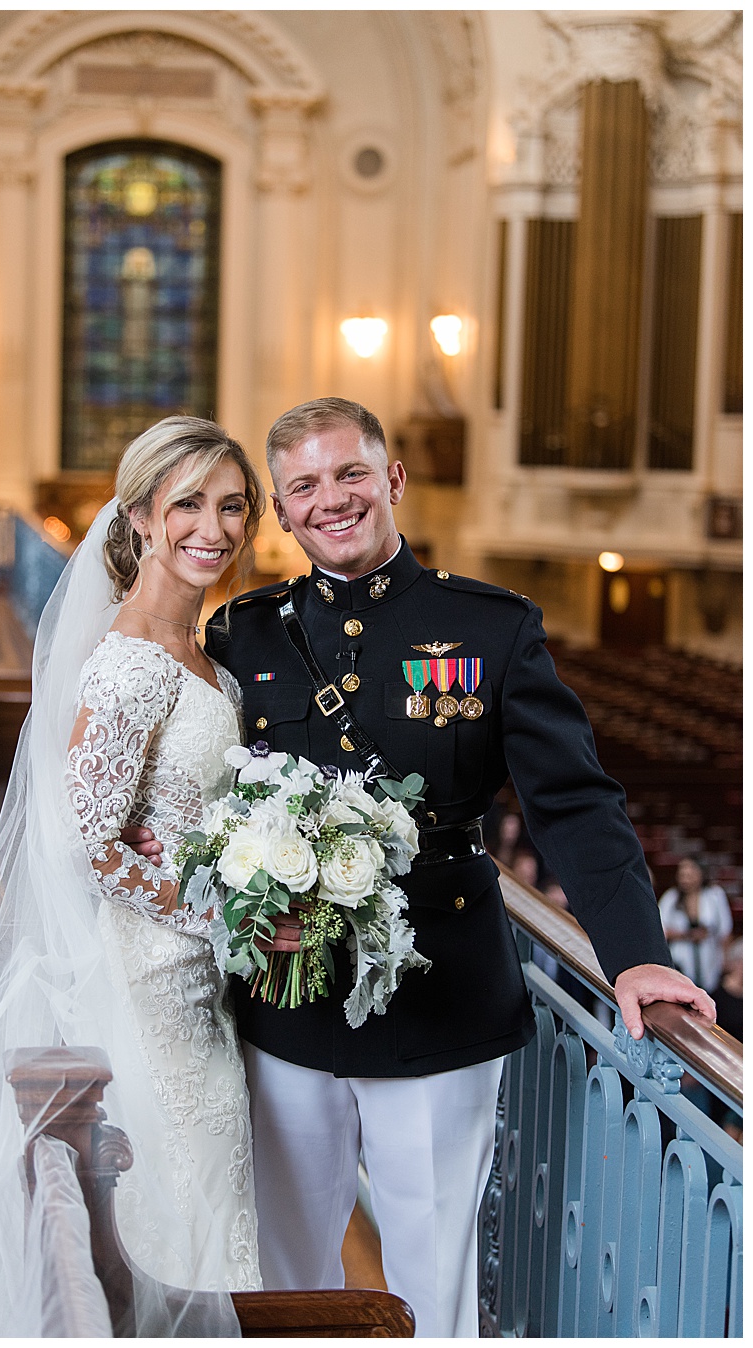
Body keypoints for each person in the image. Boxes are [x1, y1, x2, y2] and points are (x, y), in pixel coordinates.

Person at [127, 396, 712, 1337]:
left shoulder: (490, 629)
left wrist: (634, 952)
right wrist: (159, 833)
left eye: (351, 473)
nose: (333, 500)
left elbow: (574, 803)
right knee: (290, 1282)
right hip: (286, 999)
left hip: (440, 998)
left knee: (430, 1282)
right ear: (282, 512)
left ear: (391, 479)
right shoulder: (246, 633)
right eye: (304, 487)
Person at [0, 417, 266, 1337]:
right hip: (150, 987)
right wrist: (217, 914)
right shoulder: (127, 663)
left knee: (209, 1206)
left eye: (234, 506)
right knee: (176, 1206)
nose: (214, 527)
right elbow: (89, 845)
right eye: (189, 503)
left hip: (201, 985)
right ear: (142, 517)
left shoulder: (201, 653)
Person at [659, 857, 735, 994]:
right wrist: (686, 935)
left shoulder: (714, 895)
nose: (686, 878)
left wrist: (725, 959)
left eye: (690, 874)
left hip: (709, 957)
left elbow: (725, 929)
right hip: (680, 958)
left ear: (701, 874)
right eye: (682, 874)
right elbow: (660, 930)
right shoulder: (671, 897)